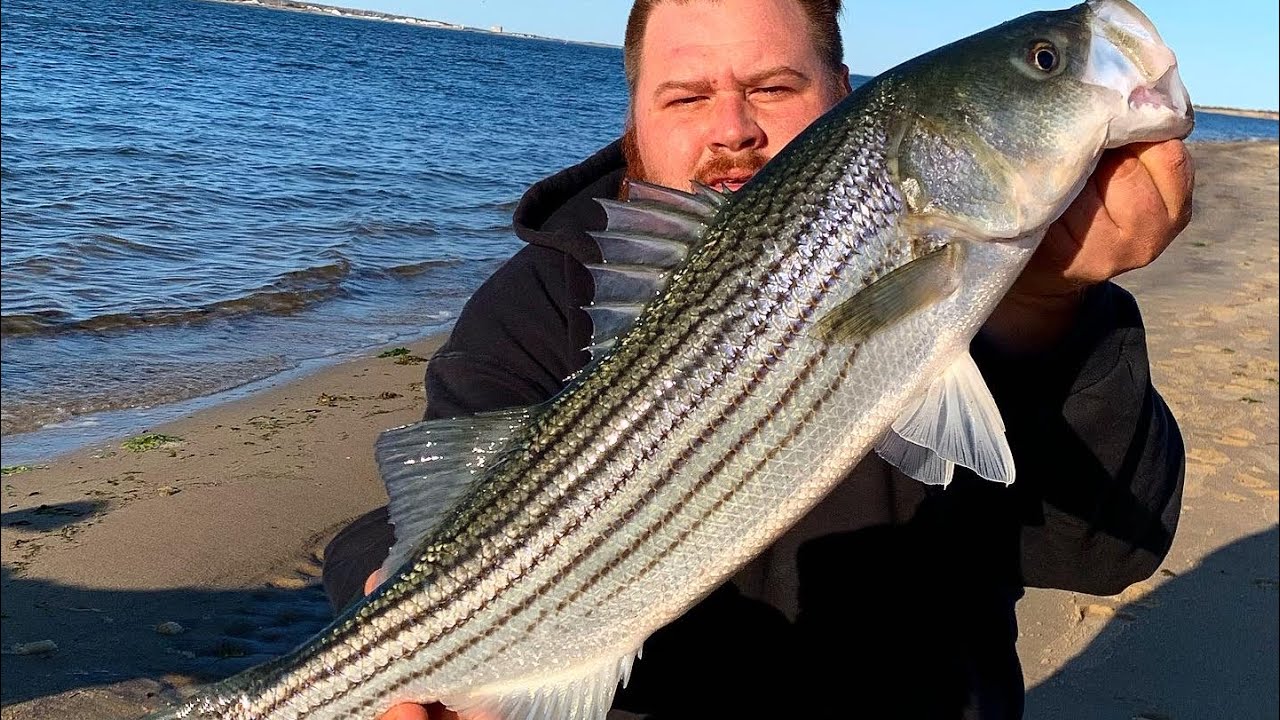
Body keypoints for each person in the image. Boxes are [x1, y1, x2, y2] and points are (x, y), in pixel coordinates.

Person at [321, 0, 1193, 717]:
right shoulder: (547, 291)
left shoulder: (1024, 284)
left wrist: (1052, 317)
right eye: (685, 97)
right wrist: (385, 600)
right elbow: (427, 495)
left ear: (845, 96)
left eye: (773, 86)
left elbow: (1102, 556)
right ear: (633, 118)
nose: (732, 128)